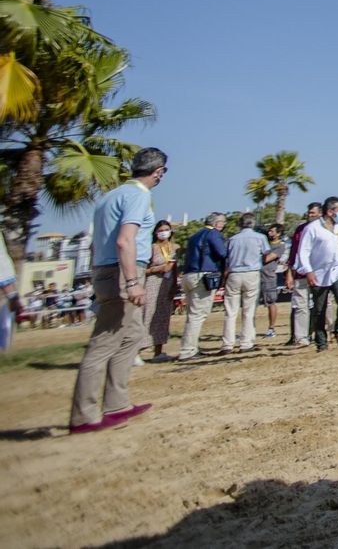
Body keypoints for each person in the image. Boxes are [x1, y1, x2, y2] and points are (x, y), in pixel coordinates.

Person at [69, 147, 167, 433]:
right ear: (158, 172)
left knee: (133, 334)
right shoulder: (138, 195)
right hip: (122, 271)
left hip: (104, 268)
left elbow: (93, 243)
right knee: (105, 341)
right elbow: (126, 241)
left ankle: (117, 403)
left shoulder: (110, 196)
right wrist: (132, 282)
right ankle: (85, 415)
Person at [294, 197, 338, 352]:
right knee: (319, 309)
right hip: (319, 273)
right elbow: (303, 251)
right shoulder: (312, 228)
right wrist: (308, 271)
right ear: (329, 211)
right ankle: (321, 342)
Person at [218, 213, 276, 353]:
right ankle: (246, 343)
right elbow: (265, 253)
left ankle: (227, 344)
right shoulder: (260, 237)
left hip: (234, 273)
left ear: (240, 224)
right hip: (251, 272)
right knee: (249, 311)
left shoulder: (232, 239)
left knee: (230, 311)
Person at [177, 212, 229, 361]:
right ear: (217, 223)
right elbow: (222, 252)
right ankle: (187, 351)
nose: (223, 225)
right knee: (198, 315)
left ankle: (190, 346)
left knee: (191, 314)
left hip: (188, 274)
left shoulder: (195, 235)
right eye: (223, 223)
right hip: (203, 276)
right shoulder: (214, 234)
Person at [139, 221, 180, 363]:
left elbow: (174, 268)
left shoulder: (175, 248)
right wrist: (159, 269)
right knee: (148, 315)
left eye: (167, 229)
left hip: (167, 284)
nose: (164, 232)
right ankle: (139, 349)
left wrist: (174, 285)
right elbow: (143, 269)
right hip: (152, 283)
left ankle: (158, 351)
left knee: (162, 316)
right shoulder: (151, 248)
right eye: (161, 230)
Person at [283, 202, 320, 348]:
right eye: (309, 213)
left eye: (313, 213)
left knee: (321, 305)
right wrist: (289, 273)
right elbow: (294, 253)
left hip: (320, 273)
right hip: (300, 273)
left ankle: (322, 332)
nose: (310, 215)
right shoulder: (300, 230)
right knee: (300, 306)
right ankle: (300, 338)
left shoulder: (325, 229)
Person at [260, 223, 286, 338]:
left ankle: (271, 328)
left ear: (278, 233)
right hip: (257, 276)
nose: (269, 233)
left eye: (272, 231)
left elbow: (267, 258)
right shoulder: (264, 243)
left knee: (271, 302)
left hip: (268, 277)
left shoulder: (279, 246)